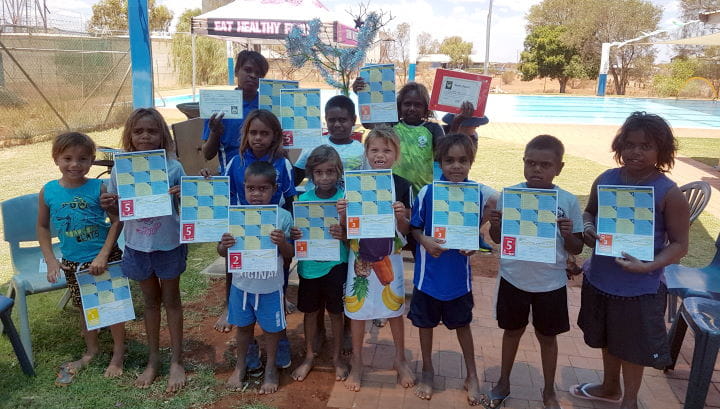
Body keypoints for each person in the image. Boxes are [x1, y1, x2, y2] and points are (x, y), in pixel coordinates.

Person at [571, 112, 689, 409]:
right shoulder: (607, 179)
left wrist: (648, 266)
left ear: (661, 151)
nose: (636, 152)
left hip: (639, 287)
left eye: (646, 146)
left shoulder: (668, 192)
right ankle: (610, 386)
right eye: (630, 144)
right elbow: (589, 213)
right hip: (601, 278)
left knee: (633, 348)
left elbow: (680, 245)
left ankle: (630, 401)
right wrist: (588, 228)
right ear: (619, 146)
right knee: (608, 338)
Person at [485, 135, 584, 409]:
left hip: (550, 282)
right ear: (523, 163)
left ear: (559, 168)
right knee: (512, 331)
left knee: (547, 337)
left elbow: (577, 245)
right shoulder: (510, 195)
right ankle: (503, 383)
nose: (537, 169)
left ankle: (549, 391)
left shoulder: (567, 201)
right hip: (513, 277)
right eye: (531, 163)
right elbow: (497, 238)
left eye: (545, 164)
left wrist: (567, 234)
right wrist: (495, 224)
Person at [101, 108, 188, 392]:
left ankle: (176, 360)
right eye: (138, 131)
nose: (145, 136)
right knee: (150, 302)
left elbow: (190, 207)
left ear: (162, 134)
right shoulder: (120, 170)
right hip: (137, 245)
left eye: (151, 131)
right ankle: (153, 360)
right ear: (130, 136)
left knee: (171, 300)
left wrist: (185, 194)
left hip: (168, 243)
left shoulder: (173, 168)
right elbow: (117, 213)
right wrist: (110, 204)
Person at [38, 132, 124, 386]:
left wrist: (103, 255)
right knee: (84, 309)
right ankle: (91, 351)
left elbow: (117, 221)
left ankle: (118, 354)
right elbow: (42, 227)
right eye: (68, 158)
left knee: (113, 307)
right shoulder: (48, 191)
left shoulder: (100, 187)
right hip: (73, 263)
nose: (75, 164)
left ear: (91, 161)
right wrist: (51, 260)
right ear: (56, 159)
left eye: (82, 159)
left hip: (103, 259)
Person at [213, 109, 296, 370]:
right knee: (237, 283)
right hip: (242, 238)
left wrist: (288, 232)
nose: (258, 138)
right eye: (253, 132)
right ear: (246, 134)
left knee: (276, 289)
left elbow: (290, 201)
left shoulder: (283, 164)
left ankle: (279, 340)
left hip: (272, 238)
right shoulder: (234, 162)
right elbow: (221, 195)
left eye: (264, 133)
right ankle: (248, 347)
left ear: (275, 137)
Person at [337, 126, 416, 392]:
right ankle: (358, 363)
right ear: (366, 152)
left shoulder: (403, 185)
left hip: (389, 258)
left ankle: (400, 359)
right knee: (358, 310)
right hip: (359, 257)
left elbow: (406, 231)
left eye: (387, 150)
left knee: (394, 309)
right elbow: (347, 231)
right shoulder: (355, 183)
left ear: (396, 154)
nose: (380, 155)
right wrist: (342, 214)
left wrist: (401, 215)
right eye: (374, 149)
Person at [408, 133, 483, 405]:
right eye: (449, 160)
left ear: (471, 162)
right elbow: (414, 227)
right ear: (440, 161)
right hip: (428, 278)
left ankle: (472, 374)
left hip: (457, 280)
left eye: (463, 160)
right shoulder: (428, 192)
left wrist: (473, 244)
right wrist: (424, 240)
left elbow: (474, 233)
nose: (456, 166)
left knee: (463, 325)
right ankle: (427, 370)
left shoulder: (475, 193)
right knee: (425, 325)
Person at [217, 161, 294, 394]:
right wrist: (224, 245)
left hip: (270, 286)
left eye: (263, 189)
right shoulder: (235, 216)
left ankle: (270, 368)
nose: (257, 194)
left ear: (274, 189)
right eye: (251, 188)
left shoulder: (282, 217)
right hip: (241, 285)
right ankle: (241, 366)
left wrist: (282, 243)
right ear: (244, 188)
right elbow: (221, 252)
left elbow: (291, 254)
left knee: (272, 330)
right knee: (243, 328)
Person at [290, 146, 349, 383]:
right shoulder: (302, 201)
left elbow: (353, 236)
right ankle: (310, 356)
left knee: (336, 312)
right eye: (319, 173)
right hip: (310, 267)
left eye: (330, 172)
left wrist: (343, 232)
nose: (325, 178)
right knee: (310, 312)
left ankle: (336, 358)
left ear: (338, 172)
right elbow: (298, 235)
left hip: (337, 265)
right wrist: (295, 234)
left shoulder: (345, 200)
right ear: (311, 175)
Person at [352, 79, 445, 195]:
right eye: (407, 104)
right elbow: (368, 123)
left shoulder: (433, 129)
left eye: (417, 105)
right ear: (399, 106)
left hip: (422, 193)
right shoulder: (392, 125)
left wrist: (460, 119)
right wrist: (362, 95)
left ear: (426, 108)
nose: (412, 108)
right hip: (394, 192)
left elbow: (446, 152)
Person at [202, 50, 269, 174]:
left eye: (258, 73)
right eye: (248, 70)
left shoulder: (269, 106)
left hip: (264, 180)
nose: (253, 76)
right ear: (236, 71)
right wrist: (215, 133)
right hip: (231, 179)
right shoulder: (218, 105)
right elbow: (207, 154)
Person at [294, 95, 366, 187]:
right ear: (326, 120)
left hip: (349, 201)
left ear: (353, 120)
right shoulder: (313, 145)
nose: (337, 124)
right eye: (331, 120)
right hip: (317, 201)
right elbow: (295, 179)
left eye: (342, 120)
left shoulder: (362, 150)